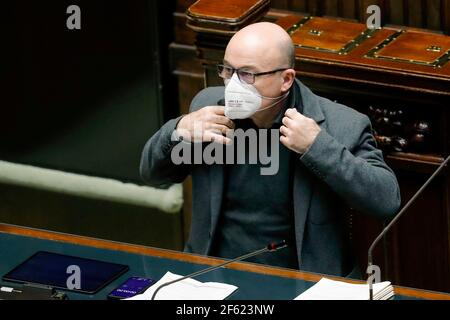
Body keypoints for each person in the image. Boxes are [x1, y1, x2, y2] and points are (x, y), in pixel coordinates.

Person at [140, 22, 401, 278]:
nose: (233, 85)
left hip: (304, 283)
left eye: (247, 75)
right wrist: (178, 131)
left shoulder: (339, 125)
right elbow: (152, 175)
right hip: (213, 276)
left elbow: (386, 200)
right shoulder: (209, 107)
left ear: (285, 79)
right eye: (228, 70)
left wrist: (317, 146)